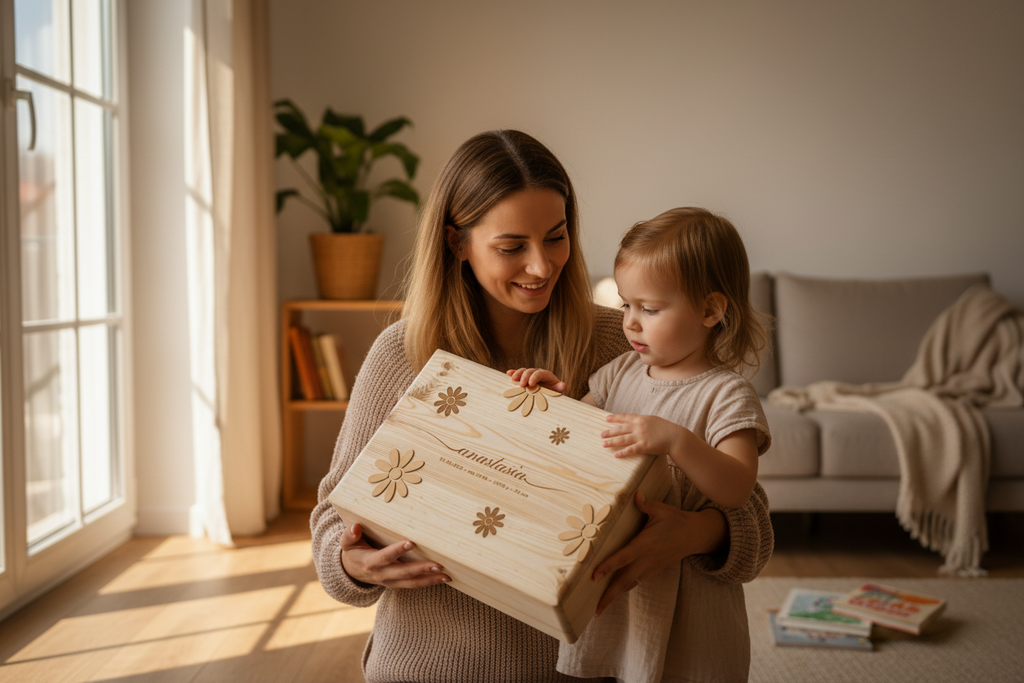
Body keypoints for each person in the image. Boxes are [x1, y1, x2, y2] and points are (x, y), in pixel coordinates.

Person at [310, 132, 774, 683]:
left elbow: (752, 522)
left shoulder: (623, 345)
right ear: (457, 242)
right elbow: (331, 523)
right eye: (512, 247)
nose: (540, 266)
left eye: (556, 238)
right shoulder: (402, 353)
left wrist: (695, 535)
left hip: (581, 669)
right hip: (430, 665)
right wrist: (351, 563)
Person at [510, 207, 773, 681]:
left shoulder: (727, 393)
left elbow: (737, 489)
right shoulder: (617, 374)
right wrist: (551, 401)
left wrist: (676, 439)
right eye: (626, 304)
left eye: (649, 309)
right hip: (615, 581)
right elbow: (574, 438)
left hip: (689, 590)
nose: (630, 323)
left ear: (711, 310)